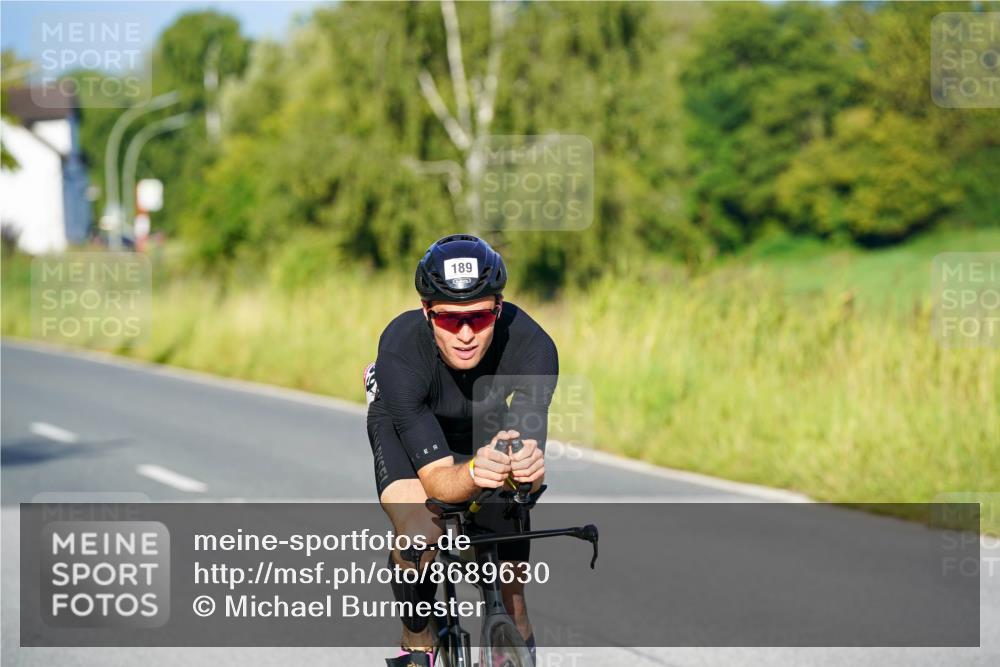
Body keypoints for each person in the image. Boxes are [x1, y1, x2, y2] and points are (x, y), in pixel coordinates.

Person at [365, 234, 558, 667]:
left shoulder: (533, 347)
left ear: (499, 309)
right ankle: (417, 637)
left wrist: (527, 469)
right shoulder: (399, 350)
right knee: (420, 535)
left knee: (512, 589)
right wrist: (473, 474)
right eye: (451, 320)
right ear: (427, 313)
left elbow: (528, 462)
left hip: (482, 426)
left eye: (480, 317)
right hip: (407, 426)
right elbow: (438, 481)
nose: (467, 334)